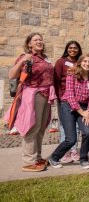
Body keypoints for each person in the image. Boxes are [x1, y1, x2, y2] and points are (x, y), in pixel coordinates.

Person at [6, 32, 56, 172]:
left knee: (41, 128)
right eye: (36, 40)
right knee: (32, 127)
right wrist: (23, 61)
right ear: (29, 44)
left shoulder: (45, 58)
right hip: (33, 94)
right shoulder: (26, 57)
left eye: (41, 39)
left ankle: (37, 157)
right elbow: (12, 75)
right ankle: (28, 161)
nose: (39, 41)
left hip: (45, 95)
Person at [48, 54, 89, 170]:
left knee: (88, 132)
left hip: (85, 107)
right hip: (68, 106)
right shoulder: (72, 74)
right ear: (80, 62)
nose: (87, 64)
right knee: (71, 139)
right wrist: (82, 112)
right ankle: (54, 157)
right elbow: (70, 95)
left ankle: (83, 159)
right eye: (85, 61)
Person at [53, 41, 83, 162]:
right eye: (70, 48)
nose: (73, 50)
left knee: (75, 126)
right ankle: (64, 152)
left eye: (75, 48)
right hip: (64, 99)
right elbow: (56, 80)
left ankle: (74, 150)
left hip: (78, 98)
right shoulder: (61, 62)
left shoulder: (80, 62)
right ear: (67, 49)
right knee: (65, 126)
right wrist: (59, 97)